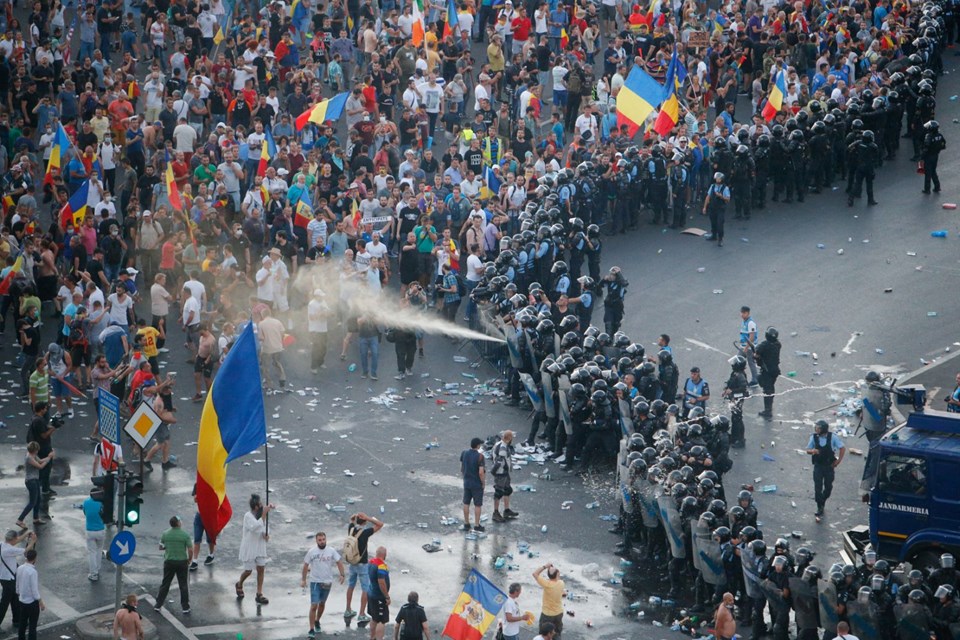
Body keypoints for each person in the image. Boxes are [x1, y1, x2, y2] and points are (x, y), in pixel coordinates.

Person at [301, 531, 345, 638]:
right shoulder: (312, 552)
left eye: (323, 539)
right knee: (314, 605)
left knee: (322, 603)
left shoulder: (331, 551)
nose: (322, 542)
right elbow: (306, 565)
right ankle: (311, 629)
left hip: (327, 582)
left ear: (326, 540)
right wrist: (303, 579)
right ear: (316, 541)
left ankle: (317, 621)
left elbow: (339, 561)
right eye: (319, 540)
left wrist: (342, 574)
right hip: (315, 581)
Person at [344, 512, 385, 623]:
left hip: (352, 562)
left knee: (351, 585)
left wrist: (355, 516)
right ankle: (361, 614)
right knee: (365, 589)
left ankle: (348, 609)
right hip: (362, 564)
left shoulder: (351, 529)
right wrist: (369, 517)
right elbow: (380, 524)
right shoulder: (365, 532)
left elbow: (351, 519)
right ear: (365, 522)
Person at [805, 419, 845, 522]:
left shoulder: (833, 438)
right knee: (817, 487)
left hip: (829, 467)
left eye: (818, 428)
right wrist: (813, 451)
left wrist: (838, 461)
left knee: (828, 487)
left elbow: (842, 448)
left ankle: (823, 500)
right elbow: (808, 450)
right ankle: (820, 506)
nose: (816, 429)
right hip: (818, 466)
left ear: (823, 429)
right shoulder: (813, 437)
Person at [237, 494, 273, 605]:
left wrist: (266, 534)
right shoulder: (248, 516)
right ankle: (239, 583)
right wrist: (264, 514)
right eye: (260, 505)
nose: (262, 506)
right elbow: (254, 527)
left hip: (260, 547)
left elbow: (264, 528)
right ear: (256, 507)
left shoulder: (261, 516)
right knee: (248, 571)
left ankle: (259, 593)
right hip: (250, 547)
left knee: (261, 569)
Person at [155, 515, 192, 615]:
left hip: (169, 562)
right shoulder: (185, 535)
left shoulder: (165, 534)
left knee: (165, 584)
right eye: (180, 520)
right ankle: (185, 607)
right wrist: (189, 559)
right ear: (178, 523)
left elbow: (161, 547)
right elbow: (190, 549)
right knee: (183, 585)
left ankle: (158, 604)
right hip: (182, 562)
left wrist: (169, 546)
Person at [0, 530, 36, 630]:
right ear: (13, 539)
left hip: (5, 577)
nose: (17, 540)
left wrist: (25, 534)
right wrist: (32, 541)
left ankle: (17, 621)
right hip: (9, 579)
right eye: (16, 539)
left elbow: (17, 540)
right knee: (4, 602)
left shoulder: (2, 544)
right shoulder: (9, 550)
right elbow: (26, 552)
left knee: (15, 599)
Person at [17, 442, 52, 528]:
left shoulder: (32, 455)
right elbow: (40, 466)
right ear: (35, 450)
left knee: (38, 499)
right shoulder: (29, 458)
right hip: (30, 481)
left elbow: (40, 460)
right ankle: (20, 520)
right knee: (32, 502)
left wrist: (48, 458)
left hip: (35, 479)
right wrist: (49, 459)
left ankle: (35, 518)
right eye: (37, 450)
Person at [460, 437, 486, 532]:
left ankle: (466, 523)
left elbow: (462, 467)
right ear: (478, 446)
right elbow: (481, 472)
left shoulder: (464, 453)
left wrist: (465, 475)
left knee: (466, 503)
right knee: (477, 505)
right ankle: (476, 525)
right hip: (476, 484)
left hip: (467, 482)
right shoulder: (480, 457)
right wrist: (483, 482)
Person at [15, 549, 42, 640]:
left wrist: (19, 594)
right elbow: (34, 590)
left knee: (22, 624)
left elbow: (17, 585)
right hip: (32, 603)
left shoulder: (19, 568)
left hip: (22, 601)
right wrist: (40, 601)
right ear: (35, 559)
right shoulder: (33, 572)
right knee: (32, 626)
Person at [754, 327, 781, 419]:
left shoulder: (765, 345)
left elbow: (757, 351)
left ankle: (768, 410)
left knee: (767, 390)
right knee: (770, 389)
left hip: (767, 371)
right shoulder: (778, 344)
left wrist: (757, 356)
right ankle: (769, 408)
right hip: (775, 371)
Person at [532, 563, 565, 639]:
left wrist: (545, 566)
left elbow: (535, 573)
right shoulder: (561, 583)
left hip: (547, 615)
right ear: (557, 574)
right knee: (557, 634)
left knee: (544, 634)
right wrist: (554, 570)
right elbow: (557, 576)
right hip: (558, 613)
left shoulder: (546, 584)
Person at [491, 431, 518, 523]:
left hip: (504, 472)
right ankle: (495, 513)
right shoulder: (503, 448)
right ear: (509, 439)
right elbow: (499, 462)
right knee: (498, 493)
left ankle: (506, 510)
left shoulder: (499, 444)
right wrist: (494, 473)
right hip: (501, 473)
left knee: (507, 490)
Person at [189, 484, 216, 572]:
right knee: (197, 539)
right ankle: (195, 561)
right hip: (199, 516)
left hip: (209, 516)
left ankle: (211, 555)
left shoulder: (213, 484)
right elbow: (195, 499)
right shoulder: (198, 484)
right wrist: (197, 497)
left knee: (210, 539)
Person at [367, 546, 391, 640]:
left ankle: (372, 637)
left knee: (374, 618)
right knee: (381, 620)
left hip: (371, 593)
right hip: (379, 597)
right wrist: (387, 596)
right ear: (384, 555)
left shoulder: (371, 562)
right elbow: (381, 582)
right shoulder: (381, 566)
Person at [82, 494, 106, 581]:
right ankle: (98, 568)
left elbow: (85, 513)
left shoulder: (86, 502)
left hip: (90, 531)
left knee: (92, 552)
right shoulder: (102, 503)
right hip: (101, 530)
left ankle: (93, 573)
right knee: (99, 550)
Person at [736, 306, 760, 385]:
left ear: (748, 313)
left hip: (749, 348)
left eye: (744, 313)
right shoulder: (744, 322)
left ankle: (755, 379)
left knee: (751, 363)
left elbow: (751, 338)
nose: (742, 314)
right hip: (743, 346)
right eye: (741, 313)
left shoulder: (750, 323)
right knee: (738, 362)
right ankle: (740, 379)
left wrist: (746, 348)